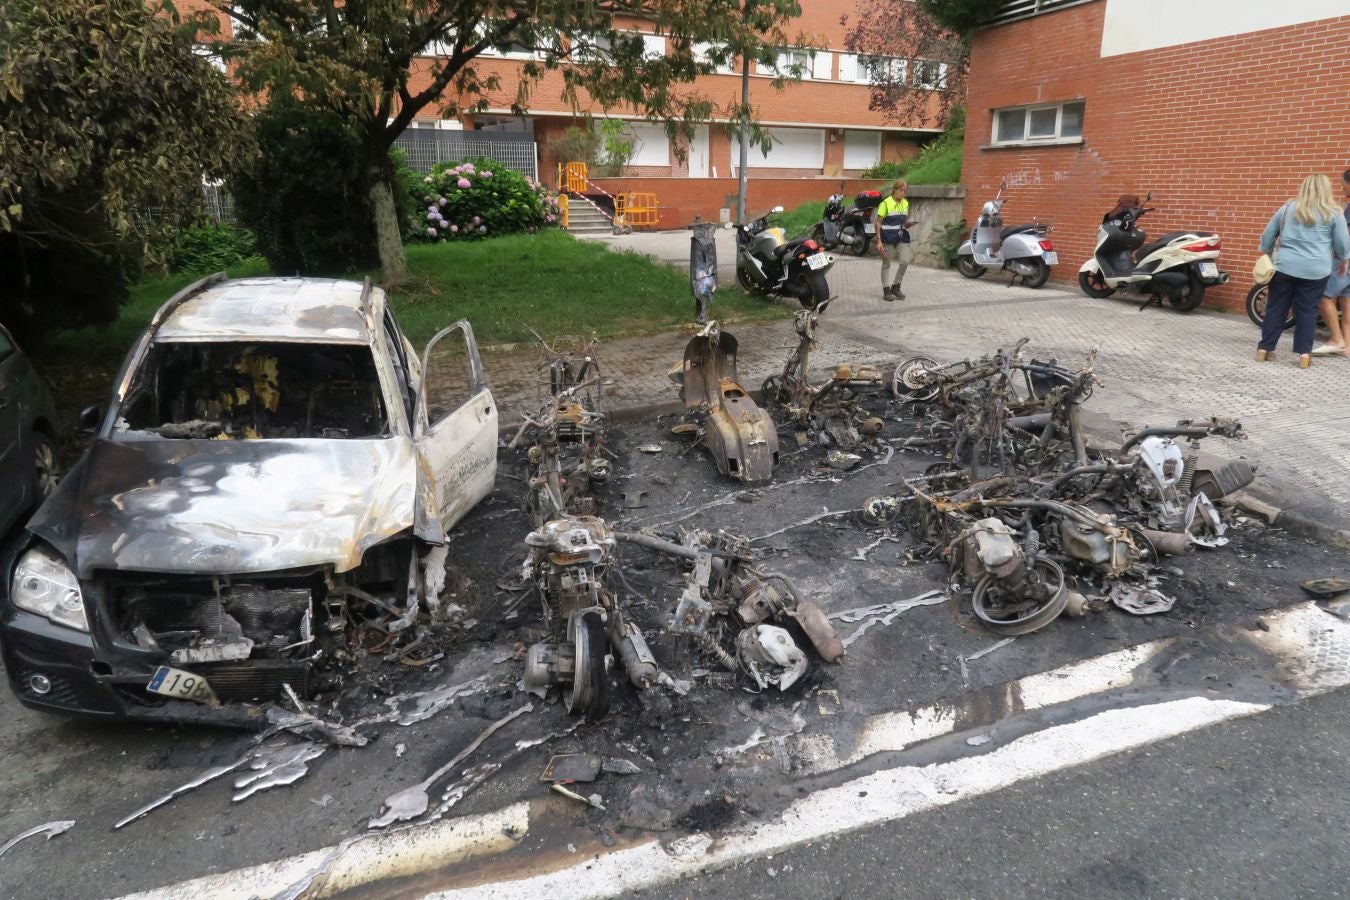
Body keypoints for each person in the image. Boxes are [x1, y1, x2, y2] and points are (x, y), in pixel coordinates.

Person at [1256, 174, 1350, 368]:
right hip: (1316, 270)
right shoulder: (1333, 212)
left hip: (1285, 266)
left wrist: (1266, 251)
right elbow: (1342, 242)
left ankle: (1264, 349)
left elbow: (1268, 233)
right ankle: (1304, 355)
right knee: (1307, 311)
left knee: (1276, 308)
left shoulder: (1288, 207)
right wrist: (1344, 259)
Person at [1311, 168, 1350, 356]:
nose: (1341, 186)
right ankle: (1347, 346)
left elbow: (1344, 237)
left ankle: (1336, 339)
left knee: (1324, 297)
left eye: (1342, 183)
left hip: (1342, 262)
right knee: (1347, 303)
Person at [876, 179, 912, 301]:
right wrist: (879, 241)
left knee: (905, 261)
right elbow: (878, 223)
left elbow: (901, 221)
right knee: (886, 263)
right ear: (894, 190)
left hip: (901, 237)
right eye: (901, 190)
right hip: (887, 238)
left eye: (905, 191)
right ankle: (886, 291)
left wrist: (907, 225)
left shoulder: (905, 203)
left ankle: (896, 287)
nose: (903, 193)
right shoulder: (885, 204)